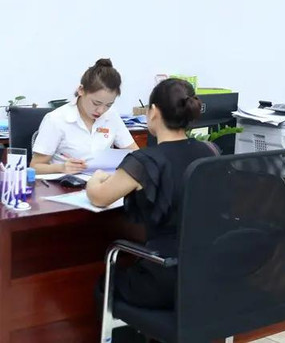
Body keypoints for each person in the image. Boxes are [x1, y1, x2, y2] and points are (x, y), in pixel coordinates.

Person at [87, 78, 218, 336]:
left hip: (166, 276)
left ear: (154, 112)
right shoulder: (209, 151)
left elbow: (100, 197)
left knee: (107, 284)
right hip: (208, 276)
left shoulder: (146, 160)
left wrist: (96, 178)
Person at [30, 58, 139, 174]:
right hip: (65, 186)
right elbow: (35, 167)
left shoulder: (111, 116)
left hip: (102, 184)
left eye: (109, 105)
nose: (101, 110)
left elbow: (137, 155)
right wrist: (61, 168)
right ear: (81, 90)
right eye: (96, 103)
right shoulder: (56, 119)